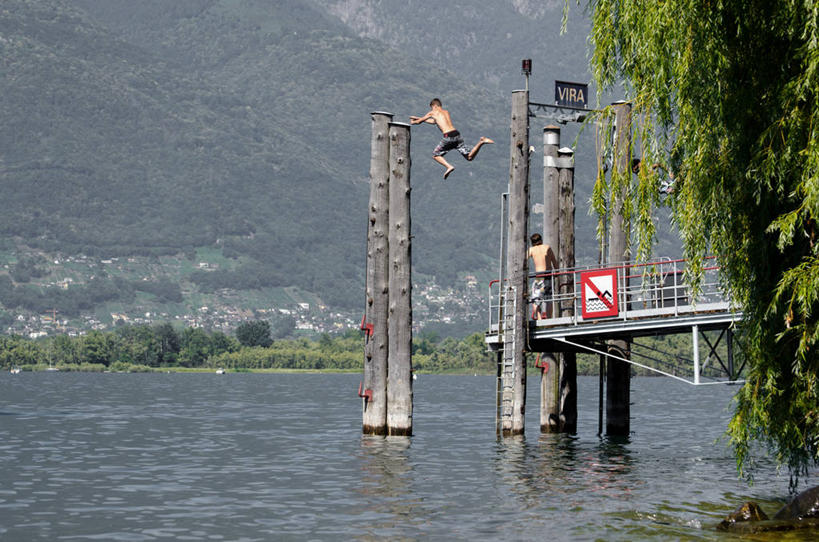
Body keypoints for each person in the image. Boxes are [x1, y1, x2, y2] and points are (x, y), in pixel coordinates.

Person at [410, 98, 494, 179]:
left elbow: (419, 122)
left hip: (448, 137)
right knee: (469, 157)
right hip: (457, 135)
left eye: (431, 108)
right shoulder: (446, 112)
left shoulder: (433, 112)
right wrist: (418, 118)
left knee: (436, 155)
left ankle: (449, 166)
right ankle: (481, 142)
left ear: (434, 106)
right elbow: (433, 122)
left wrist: (414, 121)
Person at [527, 233, 558, 319]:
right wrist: (556, 274)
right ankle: (548, 318)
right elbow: (555, 263)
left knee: (535, 298)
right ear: (541, 240)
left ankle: (540, 318)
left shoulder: (531, 250)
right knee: (548, 298)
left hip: (539, 276)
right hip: (548, 274)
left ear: (532, 242)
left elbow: (523, 261)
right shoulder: (547, 247)